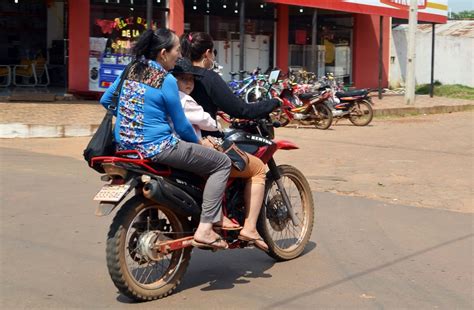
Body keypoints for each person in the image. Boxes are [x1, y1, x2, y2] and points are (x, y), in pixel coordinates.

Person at [99, 28, 232, 250]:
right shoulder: (166, 80)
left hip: (125, 148)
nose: (179, 56)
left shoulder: (131, 70)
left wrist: (130, 118)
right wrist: (200, 143)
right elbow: (181, 125)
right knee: (222, 163)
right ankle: (206, 228)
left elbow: (106, 100)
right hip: (158, 147)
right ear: (163, 53)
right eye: (177, 51)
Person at [180, 32, 283, 252]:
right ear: (207, 53)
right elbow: (241, 109)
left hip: (181, 141)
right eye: (213, 53)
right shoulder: (208, 77)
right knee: (257, 170)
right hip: (206, 142)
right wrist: (273, 103)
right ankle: (250, 228)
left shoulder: (177, 75)